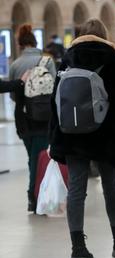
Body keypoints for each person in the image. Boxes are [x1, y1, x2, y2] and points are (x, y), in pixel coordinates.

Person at [49, 19, 115, 258]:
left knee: (77, 190)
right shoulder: (111, 58)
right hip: (105, 136)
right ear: (103, 35)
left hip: (71, 135)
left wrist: (55, 136)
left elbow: (54, 103)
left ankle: (78, 249)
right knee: (111, 186)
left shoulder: (67, 59)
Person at [9, 24, 56, 212]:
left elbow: (13, 94)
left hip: (23, 118)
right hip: (43, 117)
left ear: (20, 44)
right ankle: (35, 196)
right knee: (40, 157)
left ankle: (35, 195)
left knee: (32, 158)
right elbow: (54, 90)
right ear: (35, 42)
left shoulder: (15, 65)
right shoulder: (47, 61)